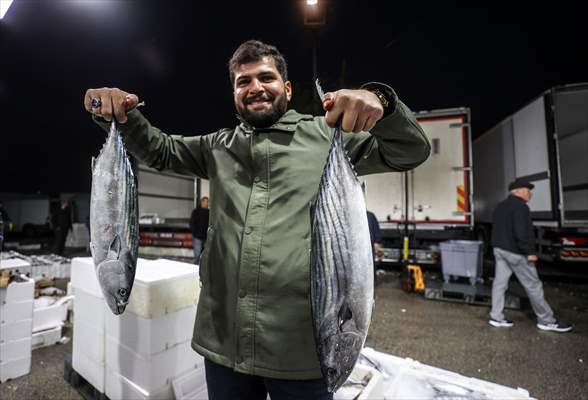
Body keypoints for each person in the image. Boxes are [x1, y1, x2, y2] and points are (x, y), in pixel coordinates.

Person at [84, 40, 430, 400]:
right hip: (223, 346)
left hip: (303, 351)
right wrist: (119, 112)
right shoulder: (217, 146)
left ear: (288, 88)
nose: (255, 88)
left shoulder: (326, 136)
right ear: (234, 93)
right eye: (242, 81)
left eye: (266, 77)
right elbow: (160, 150)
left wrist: (382, 104)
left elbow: (410, 151)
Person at [489, 179, 572, 333]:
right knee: (533, 285)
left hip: (500, 250)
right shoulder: (521, 207)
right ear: (518, 191)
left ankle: (496, 316)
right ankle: (546, 320)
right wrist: (530, 252)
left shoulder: (500, 206)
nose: (530, 194)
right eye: (528, 190)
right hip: (516, 253)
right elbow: (521, 232)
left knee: (500, 284)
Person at [190, 196, 210, 263]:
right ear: (202, 202)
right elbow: (192, 223)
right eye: (205, 202)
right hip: (197, 237)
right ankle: (196, 267)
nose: (207, 203)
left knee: (204, 255)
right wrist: (194, 233)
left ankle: (202, 269)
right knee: (197, 255)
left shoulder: (209, 212)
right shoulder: (196, 211)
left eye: (207, 202)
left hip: (206, 237)